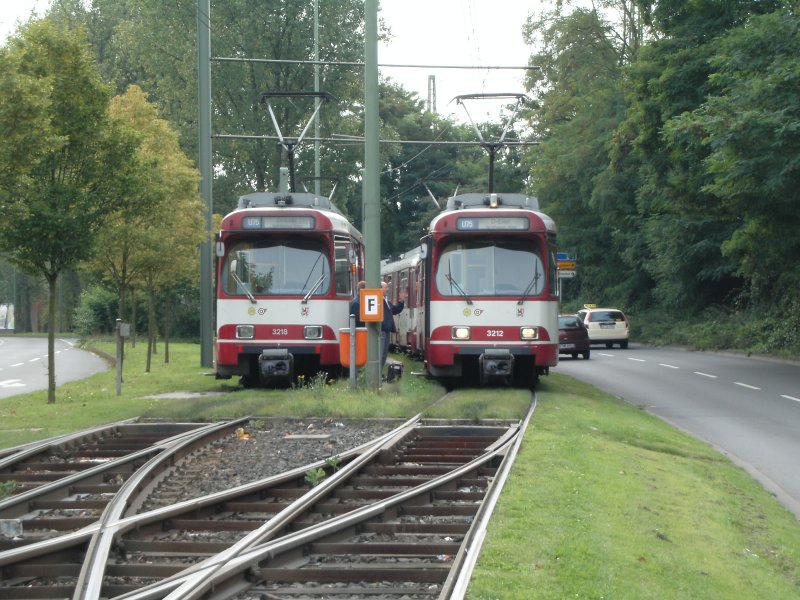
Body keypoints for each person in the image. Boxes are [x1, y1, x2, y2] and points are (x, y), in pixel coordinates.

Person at [380, 281, 404, 374]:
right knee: (381, 353)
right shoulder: (378, 300)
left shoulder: (386, 301)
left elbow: (395, 310)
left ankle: (380, 373)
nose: (387, 289)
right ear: (380, 288)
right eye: (385, 287)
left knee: (384, 354)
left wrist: (401, 301)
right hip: (382, 330)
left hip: (387, 330)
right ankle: (378, 374)